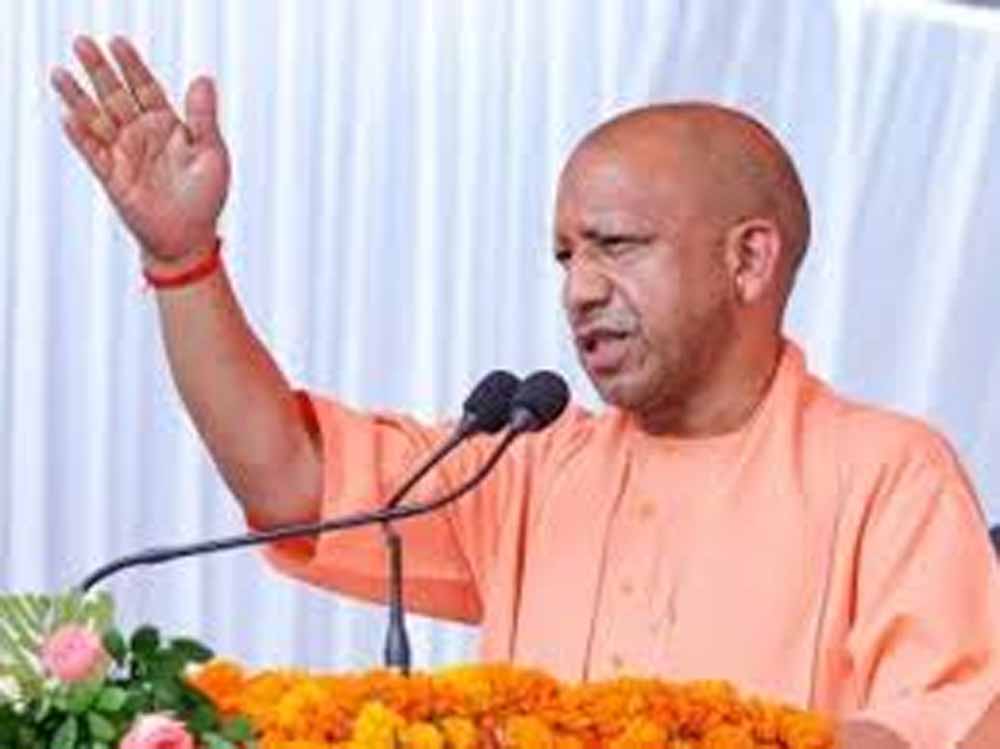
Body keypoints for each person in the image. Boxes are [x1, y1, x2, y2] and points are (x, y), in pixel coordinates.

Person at [51, 35, 999, 749]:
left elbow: (944, 727)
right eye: (564, 256)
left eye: (616, 245)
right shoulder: (526, 463)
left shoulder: (887, 473)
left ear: (748, 259)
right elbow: (292, 479)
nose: (579, 288)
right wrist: (183, 261)